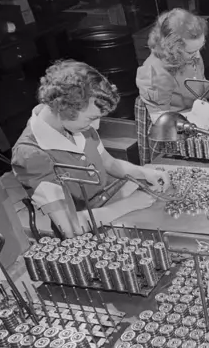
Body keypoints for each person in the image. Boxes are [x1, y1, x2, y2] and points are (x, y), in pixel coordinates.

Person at [11, 60, 170, 238]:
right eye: (90, 118)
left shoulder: (75, 126)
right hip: (88, 235)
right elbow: (70, 228)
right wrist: (129, 204)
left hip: (111, 205)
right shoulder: (31, 155)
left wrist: (143, 172)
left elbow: (108, 163)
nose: (96, 125)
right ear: (64, 108)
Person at [136, 8, 209, 123]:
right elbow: (161, 122)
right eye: (190, 52)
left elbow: (196, 84)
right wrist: (208, 115)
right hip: (174, 131)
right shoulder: (154, 73)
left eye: (200, 47)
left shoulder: (192, 53)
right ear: (172, 49)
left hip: (198, 119)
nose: (197, 55)